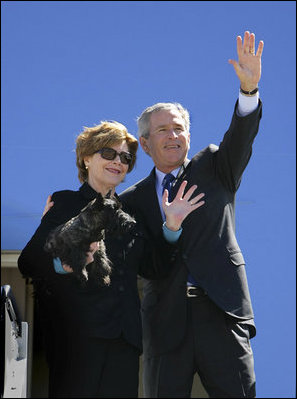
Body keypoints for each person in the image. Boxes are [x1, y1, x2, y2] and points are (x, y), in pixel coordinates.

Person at [119, 31, 264, 398]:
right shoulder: (131, 201)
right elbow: (136, 261)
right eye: (163, 130)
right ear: (146, 144)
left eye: (179, 128)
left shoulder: (216, 167)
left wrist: (248, 91)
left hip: (222, 311)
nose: (173, 136)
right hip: (165, 323)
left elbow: (242, 136)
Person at [18, 120, 204, 398]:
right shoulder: (66, 202)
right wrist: (64, 264)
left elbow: (154, 267)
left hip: (124, 340)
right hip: (77, 337)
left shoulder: (132, 214)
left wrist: (172, 227)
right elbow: (29, 260)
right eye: (108, 153)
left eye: (126, 158)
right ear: (86, 158)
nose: (118, 161)